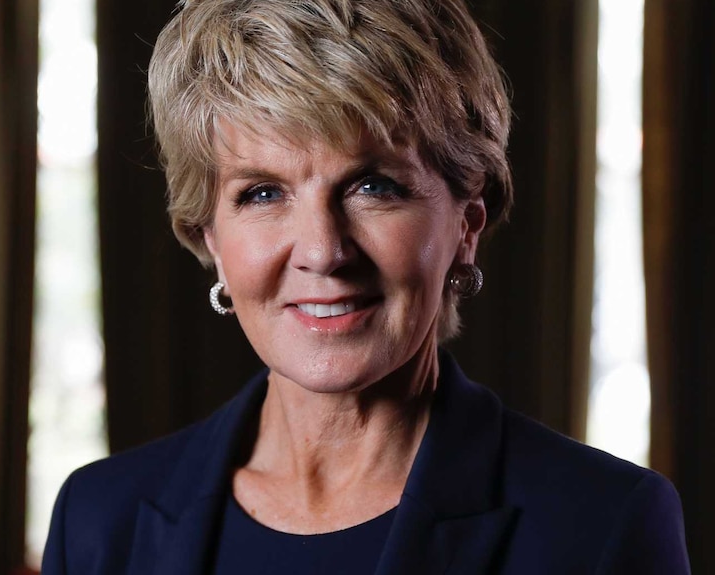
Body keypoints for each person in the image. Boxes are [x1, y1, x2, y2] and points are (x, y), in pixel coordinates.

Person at [42, 0, 690, 573]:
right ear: (209, 236)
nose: (324, 250)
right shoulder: (99, 521)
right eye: (263, 192)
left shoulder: (603, 525)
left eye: (373, 186)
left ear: (466, 225)